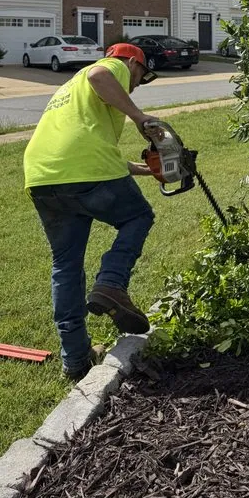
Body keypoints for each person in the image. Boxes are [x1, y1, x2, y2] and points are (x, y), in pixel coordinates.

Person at [24, 43, 163, 380]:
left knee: (66, 265)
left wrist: (148, 170)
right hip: (85, 171)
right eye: (141, 76)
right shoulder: (112, 67)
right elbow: (100, 75)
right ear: (133, 63)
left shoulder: (70, 90)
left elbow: (84, 146)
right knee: (138, 216)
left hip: (43, 177)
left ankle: (75, 359)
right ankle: (111, 284)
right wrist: (139, 116)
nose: (137, 84)